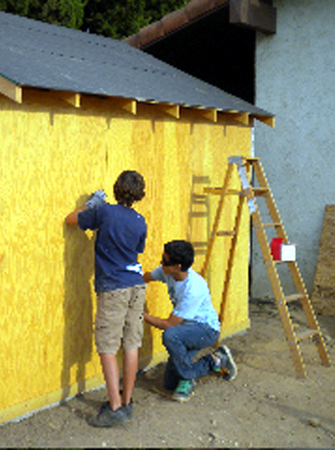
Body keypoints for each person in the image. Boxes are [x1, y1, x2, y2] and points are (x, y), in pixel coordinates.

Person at [65, 170, 147, 427]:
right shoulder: (140, 221)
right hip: (136, 285)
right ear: (139, 194)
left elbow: (71, 220)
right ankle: (127, 401)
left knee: (108, 347)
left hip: (113, 288)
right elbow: (134, 249)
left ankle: (114, 408)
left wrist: (91, 204)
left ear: (116, 188)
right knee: (131, 344)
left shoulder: (105, 212)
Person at [143, 240, 237, 402]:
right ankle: (216, 359)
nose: (161, 262)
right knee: (169, 383)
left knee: (170, 335)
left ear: (177, 266)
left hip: (205, 330)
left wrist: (140, 315)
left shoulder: (193, 288)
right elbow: (145, 277)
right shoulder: (166, 271)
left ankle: (188, 377)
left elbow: (169, 325)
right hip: (185, 331)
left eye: (165, 261)